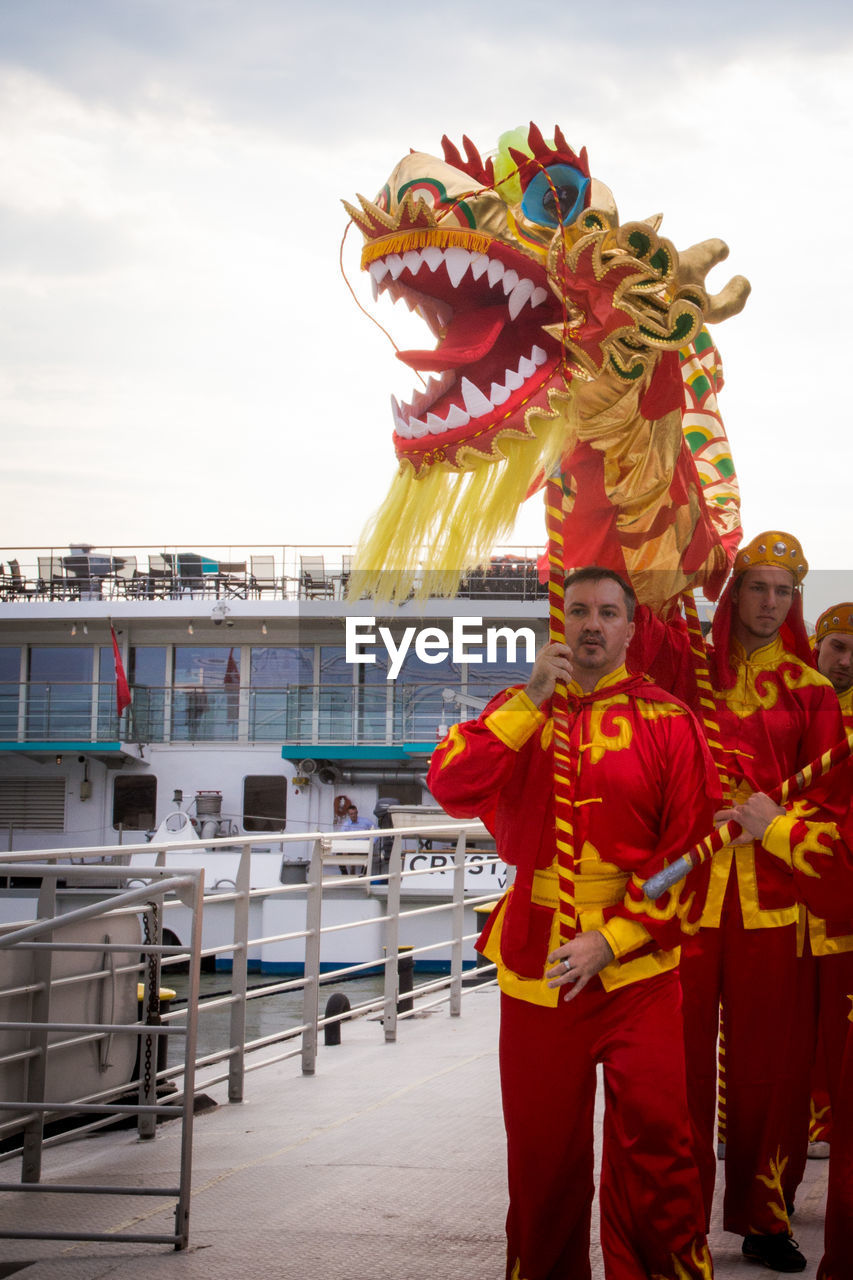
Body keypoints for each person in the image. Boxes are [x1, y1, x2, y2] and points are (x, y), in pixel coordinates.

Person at [428, 567, 718, 1280]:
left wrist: (612, 937)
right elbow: (450, 785)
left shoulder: (669, 722)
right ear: (562, 624)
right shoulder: (519, 709)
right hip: (537, 971)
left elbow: (684, 857)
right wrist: (528, 701)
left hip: (639, 973)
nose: (592, 623)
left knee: (660, 1147)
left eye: (607, 612)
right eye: (578, 610)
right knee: (542, 1156)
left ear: (629, 627)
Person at [631, 531, 844, 1272]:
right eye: (756, 586)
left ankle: (764, 1215)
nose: (769, 602)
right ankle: (678, 1217)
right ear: (733, 594)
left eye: (782, 592)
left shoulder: (812, 694)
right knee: (673, 1063)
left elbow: (829, 806)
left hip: (776, 907)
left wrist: (773, 828)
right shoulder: (689, 675)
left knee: (772, 1070)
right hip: (685, 900)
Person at [719, 786, 853, 1280]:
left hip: (829, 900)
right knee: (769, 1069)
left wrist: (780, 829)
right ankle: (760, 1214)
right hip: (757, 899)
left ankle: (780, 1218)